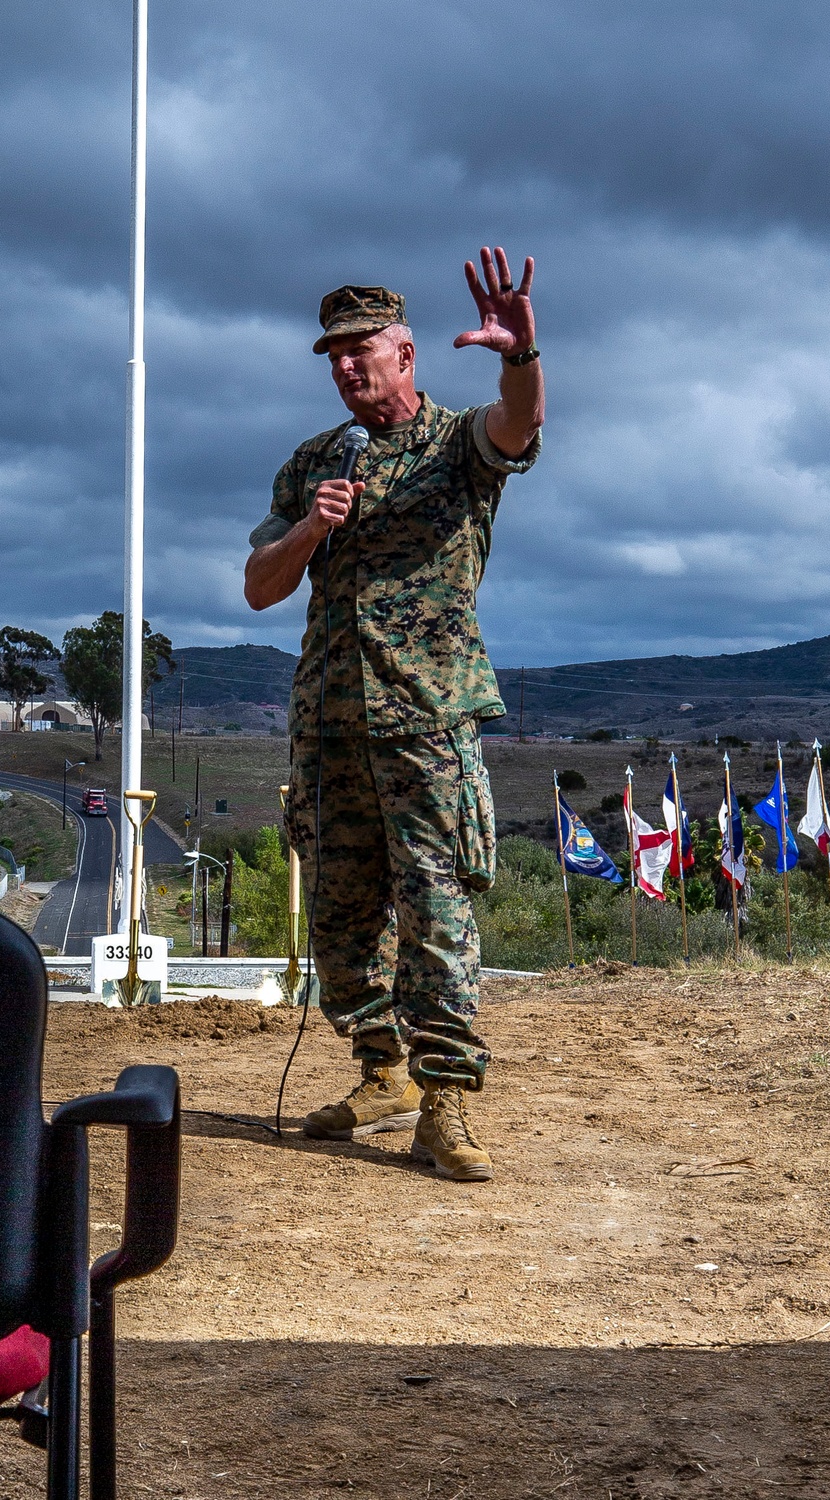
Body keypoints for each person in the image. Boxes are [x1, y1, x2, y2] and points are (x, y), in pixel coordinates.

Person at [245, 247, 543, 1182]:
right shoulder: (313, 463)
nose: (344, 366)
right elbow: (259, 585)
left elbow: (518, 427)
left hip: (425, 722)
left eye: (360, 349)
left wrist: (521, 356)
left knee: (436, 911)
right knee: (340, 917)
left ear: (405, 353)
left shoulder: (457, 445)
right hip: (329, 726)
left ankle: (446, 1098)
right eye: (332, 354)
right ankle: (383, 1074)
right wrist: (311, 526)